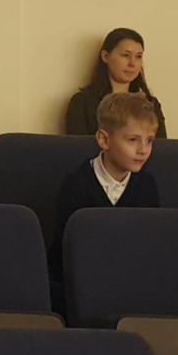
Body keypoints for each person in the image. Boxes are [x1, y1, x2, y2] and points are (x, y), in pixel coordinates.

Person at [49, 91, 160, 281]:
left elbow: (149, 246)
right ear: (104, 140)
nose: (143, 150)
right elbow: (66, 252)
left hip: (132, 279)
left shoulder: (146, 185)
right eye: (133, 140)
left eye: (149, 140)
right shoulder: (76, 185)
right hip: (84, 278)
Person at [65, 27, 167, 138]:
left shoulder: (150, 104)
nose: (132, 63)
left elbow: (162, 146)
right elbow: (77, 146)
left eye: (138, 56)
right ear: (105, 56)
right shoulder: (82, 103)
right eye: (125, 55)